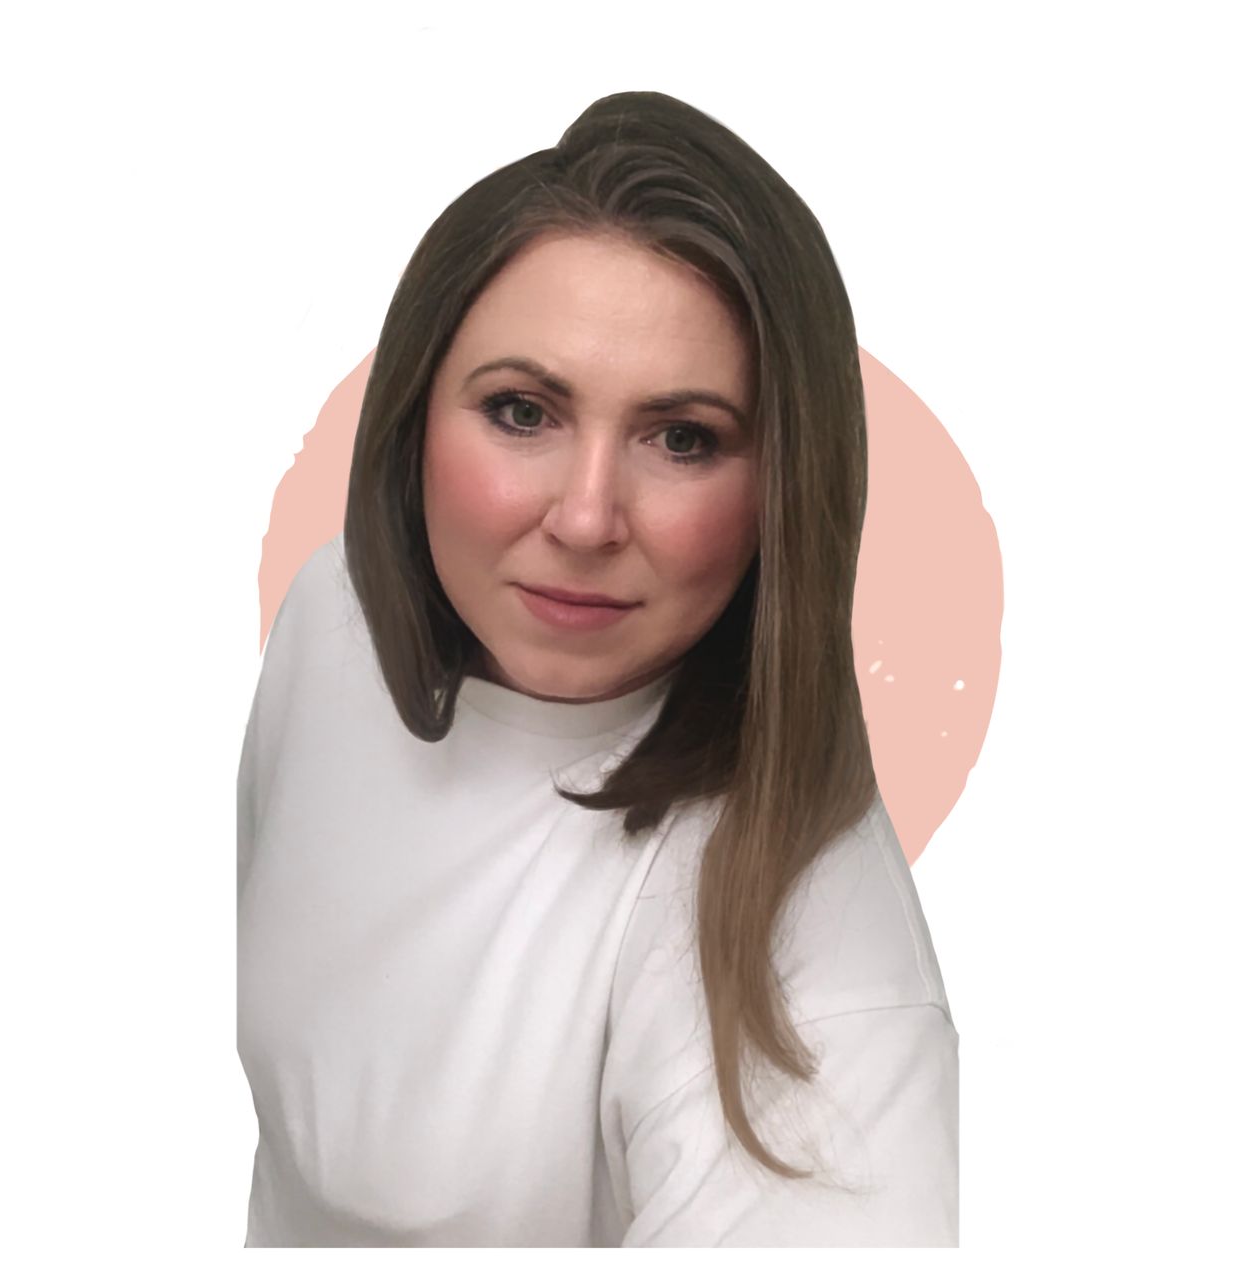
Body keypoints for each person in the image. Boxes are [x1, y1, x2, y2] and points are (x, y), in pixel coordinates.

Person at [236, 90, 958, 1247]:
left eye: (682, 438)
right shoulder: (333, 619)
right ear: (414, 418)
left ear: (780, 488)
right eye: (522, 411)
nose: (584, 518)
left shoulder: (818, 972)